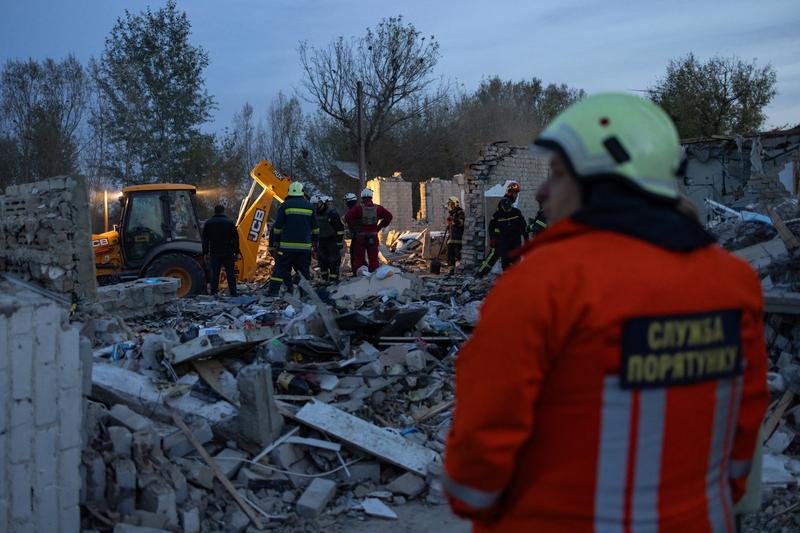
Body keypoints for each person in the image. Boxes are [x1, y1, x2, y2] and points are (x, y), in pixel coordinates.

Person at [443, 93, 768, 532]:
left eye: (558, 174)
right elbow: (743, 437)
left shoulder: (540, 285)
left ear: (601, 182)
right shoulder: (735, 282)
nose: (542, 190)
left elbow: (473, 476)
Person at [267, 182, 318, 296]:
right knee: (304, 272)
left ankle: (273, 293)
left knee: (280, 270)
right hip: (304, 248)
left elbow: (278, 227)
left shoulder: (285, 206)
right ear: (302, 192)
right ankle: (303, 294)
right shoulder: (309, 206)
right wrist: (315, 242)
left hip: (286, 247)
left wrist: (276, 241)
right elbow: (315, 228)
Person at [344, 188, 392, 273]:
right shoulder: (378, 208)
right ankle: (374, 277)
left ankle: (360, 277)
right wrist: (379, 226)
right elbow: (389, 216)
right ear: (371, 197)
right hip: (373, 236)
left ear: (362, 197)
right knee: (373, 259)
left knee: (359, 259)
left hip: (361, 237)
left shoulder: (358, 208)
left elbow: (347, 217)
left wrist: (355, 228)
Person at [476, 197, 528, 276]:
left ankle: (517, 277)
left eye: (509, 208)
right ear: (502, 207)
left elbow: (523, 226)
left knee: (516, 259)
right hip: (504, 241)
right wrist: (493, 239)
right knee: (505, 260)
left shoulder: (517, 213)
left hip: (516, 240)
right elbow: (491, 228)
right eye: (505, 208)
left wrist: (526, 238)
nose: (507, 210)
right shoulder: (497, 215)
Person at [202, 204, 239, 297]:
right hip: (228, 252)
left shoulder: (208, 223)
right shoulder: (229, 222)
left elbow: (205, 239)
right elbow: (235, 239)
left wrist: (205, 252)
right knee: (230, 274)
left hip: (214, 252)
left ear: (214, 211)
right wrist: (236, 252)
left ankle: (213, 293)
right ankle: (233, 293)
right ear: (223, 211)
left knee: (214, 274)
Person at [312, 194, 345, 282]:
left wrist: (339, 242)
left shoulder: (332, 213)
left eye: (317, 204)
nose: (316, 207)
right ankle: (325, 280)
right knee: (322, 261)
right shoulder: (313, 214)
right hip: (321, 240)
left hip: (332, 240)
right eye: (314, 205)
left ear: (323, 203)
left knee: (333, 261)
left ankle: (333, 281)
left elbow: (340, 229)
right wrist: (314, 243)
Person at [445, 196, 465, 273]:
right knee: (449, 255)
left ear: (455, 204)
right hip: (451, 238)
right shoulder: (452, 213)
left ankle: (461, 269)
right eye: (449, 204)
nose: (449, 206)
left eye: (451, 204)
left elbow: (461, 223)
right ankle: (451, 270)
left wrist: (453, 221)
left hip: (458, 238)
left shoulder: (460, 212)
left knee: (458, 254)